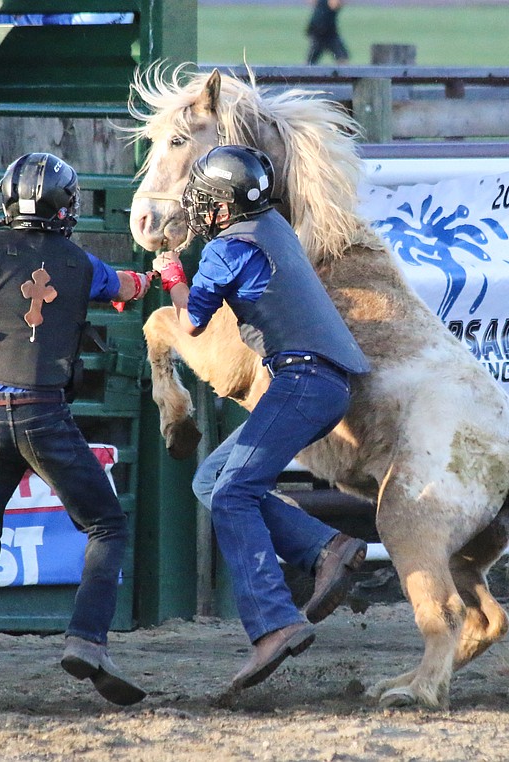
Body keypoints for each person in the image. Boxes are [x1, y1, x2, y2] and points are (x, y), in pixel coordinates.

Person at [0, 152, 154, 719]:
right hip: (44, 415)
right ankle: (85, 638)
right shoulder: (80, 262)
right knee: (105, 524)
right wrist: (157, 276)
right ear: (64, 206)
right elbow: (127, 286)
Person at [152, 145, 369, 692]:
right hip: (326, 382)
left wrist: (171, 272)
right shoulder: (273, 225)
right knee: (212, 480)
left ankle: (274, 624)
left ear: (223, 207)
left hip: (300, 382)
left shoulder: (228, 248)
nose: (200, 210)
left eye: (205, 201)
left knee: (232, 494)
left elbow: (191, 323)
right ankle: (326, 546)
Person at [305, 0, 348, 65]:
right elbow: (334, 4)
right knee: (311, 61)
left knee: (342, 58)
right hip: (320, 31)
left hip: (328, 31)